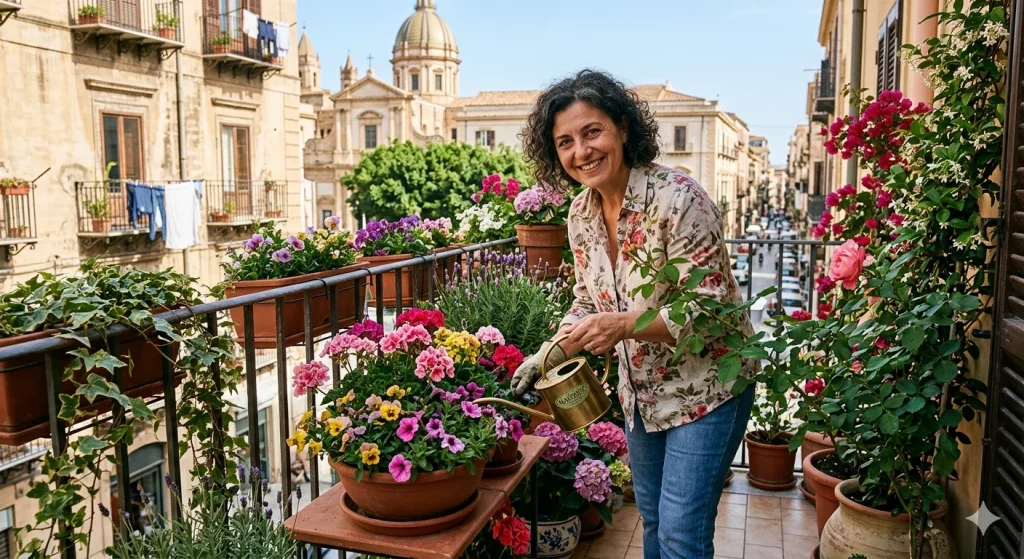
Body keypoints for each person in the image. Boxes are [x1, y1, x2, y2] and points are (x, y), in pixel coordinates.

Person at [512, 69, 758, 559]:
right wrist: (545, 354)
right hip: (640, 396)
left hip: (708, 390)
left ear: (624, 128)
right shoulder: (580, 214)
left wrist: (623, 326)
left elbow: (710, 309)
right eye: (565, 142)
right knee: (652, 523)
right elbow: (588, 301)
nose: (581, 151)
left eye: (592, 132)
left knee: (681, 535)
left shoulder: (678, 198)